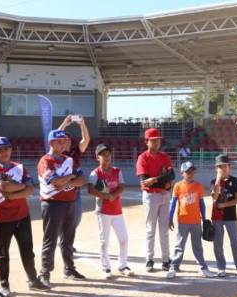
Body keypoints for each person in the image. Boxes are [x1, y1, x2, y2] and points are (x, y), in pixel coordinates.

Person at [0, 136, 48, 296]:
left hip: (22, 215)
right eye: (0, 149)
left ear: (11, 150)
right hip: (2, 217)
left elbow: (31, 189)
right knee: (2, 253)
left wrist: (13, 195)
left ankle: (32, 279)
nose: (4, 152)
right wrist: (21, 187)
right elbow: (3, 186)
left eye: (6, 148)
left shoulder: (19, 168)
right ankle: (4, 283)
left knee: (27, 250)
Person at [36, 129, 88, 287]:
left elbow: (82, 180)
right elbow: (55, 181)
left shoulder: (69, 160)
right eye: (60, 141)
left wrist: (67, 182)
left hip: (70, 203)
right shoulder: (45, 161)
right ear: (51, 143)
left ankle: (69, 269)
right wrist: (71, 177)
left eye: (64, 141)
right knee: (50, 239)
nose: (63, 143)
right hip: (52, 204)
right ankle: (44, 272)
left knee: (68, 239)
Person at [87, 144, 133, 280]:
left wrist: (113, 195)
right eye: (103, 155)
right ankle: (106, 267)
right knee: (104, 241)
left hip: (117, 210)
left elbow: (122, 186)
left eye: (108, 154)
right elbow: (90, 189)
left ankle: (123, 265)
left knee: (123, 238)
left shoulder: (117, 171)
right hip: (103, 211)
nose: (107, 157)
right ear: (98, 157)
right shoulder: (95, 173)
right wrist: (105, 196)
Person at [167, 161, 215, 279]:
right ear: (182, 173)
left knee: (197, 246)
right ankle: (174, 267)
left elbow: (201, 203)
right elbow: (173, 203)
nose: (190, 173)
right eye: (188, 171)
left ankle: (203, 268)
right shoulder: (178, 186)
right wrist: (170, 218)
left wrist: (204, 219)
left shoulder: (199, 186)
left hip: (196, 221)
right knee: (179, 245)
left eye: (192, 171)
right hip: (183, 220)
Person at [136, 127, 174, 273]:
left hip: (164, 195)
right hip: (151, 196)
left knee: (164, 229)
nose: (156, 142)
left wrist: (156, 179)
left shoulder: (165, 156)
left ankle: (165, 259)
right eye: (153, 140)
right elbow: (145, 181)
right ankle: (149, 259)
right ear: (146, 141)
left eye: (158, 140)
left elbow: (171, 176)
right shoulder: (143, 158)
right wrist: (163, 182)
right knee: (151, 229)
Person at [210, 154, 237, 278]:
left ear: (229, 166)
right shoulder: (214, 182)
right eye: (220, 166)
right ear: (216, 168)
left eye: (225, 166)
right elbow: (214, 196)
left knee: (235, 241)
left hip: (231, 216)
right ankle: (221, 267)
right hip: (217, 216)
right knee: (218, 243)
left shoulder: (235, 181)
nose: (223, 168)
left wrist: (224, 205)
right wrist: (218, 180)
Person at [59, 114, 90, 253]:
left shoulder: (75, 152)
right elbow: (53, 137)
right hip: (60, 192)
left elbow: (86, 140)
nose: (67, 142)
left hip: (74, 191)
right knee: (61, 219)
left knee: (75, 219)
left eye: (69, 140)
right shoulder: (57, 154)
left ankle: (67, 242)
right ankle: (65, 243)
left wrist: (82, 124)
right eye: (64, 140)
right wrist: (64, 124)